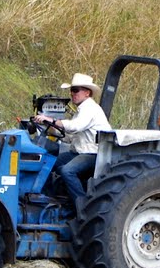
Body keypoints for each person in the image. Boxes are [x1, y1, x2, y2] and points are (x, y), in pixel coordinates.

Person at [32, 72, 110, 208]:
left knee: (67, 171)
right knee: (47, 162)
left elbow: (74, 127)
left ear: (87, 92)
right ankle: (48, 199)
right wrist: (49, 126)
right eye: (71, 90)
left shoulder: (91, 109)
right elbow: (69, 136)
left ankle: (83, 207)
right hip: (78, 151)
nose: (72, 94)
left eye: (75, 90)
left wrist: (52, 120)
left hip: (93, 153)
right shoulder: (80, 111)